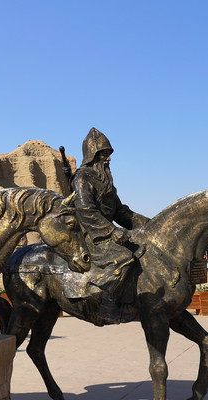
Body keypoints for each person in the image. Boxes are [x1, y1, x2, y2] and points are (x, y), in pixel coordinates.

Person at [70, 128, 149, 322]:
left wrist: (149, 224)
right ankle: (106, 305)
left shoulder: (106, 182)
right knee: (123, 258)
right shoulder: (82, 178)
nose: (108, 159)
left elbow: (121, 212)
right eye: (104, 154)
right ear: (93, 156)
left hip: (107, 234)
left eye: (108, 154)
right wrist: (112, 231)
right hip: (91, 235)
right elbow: (86, 210)